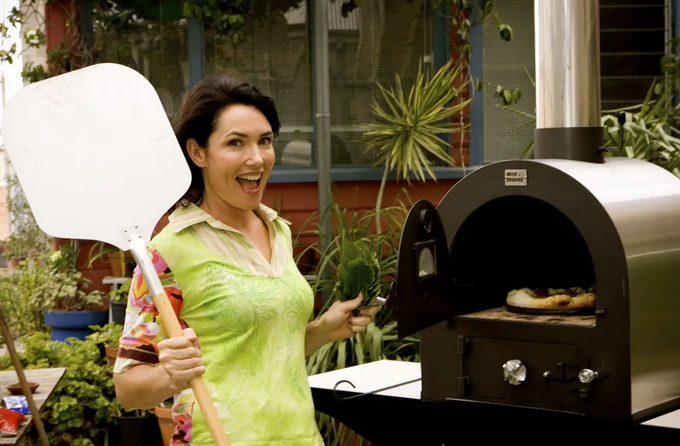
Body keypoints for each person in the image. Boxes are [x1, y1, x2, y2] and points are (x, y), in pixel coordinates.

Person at [112, 76, 381, 445]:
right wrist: (170, 375)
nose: (256, 158)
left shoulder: (277, 230)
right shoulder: (167, 253)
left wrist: (323, 330)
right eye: (236, 142)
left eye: (265, 141)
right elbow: (128, 388)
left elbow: (258, 349)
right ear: (198, 153)